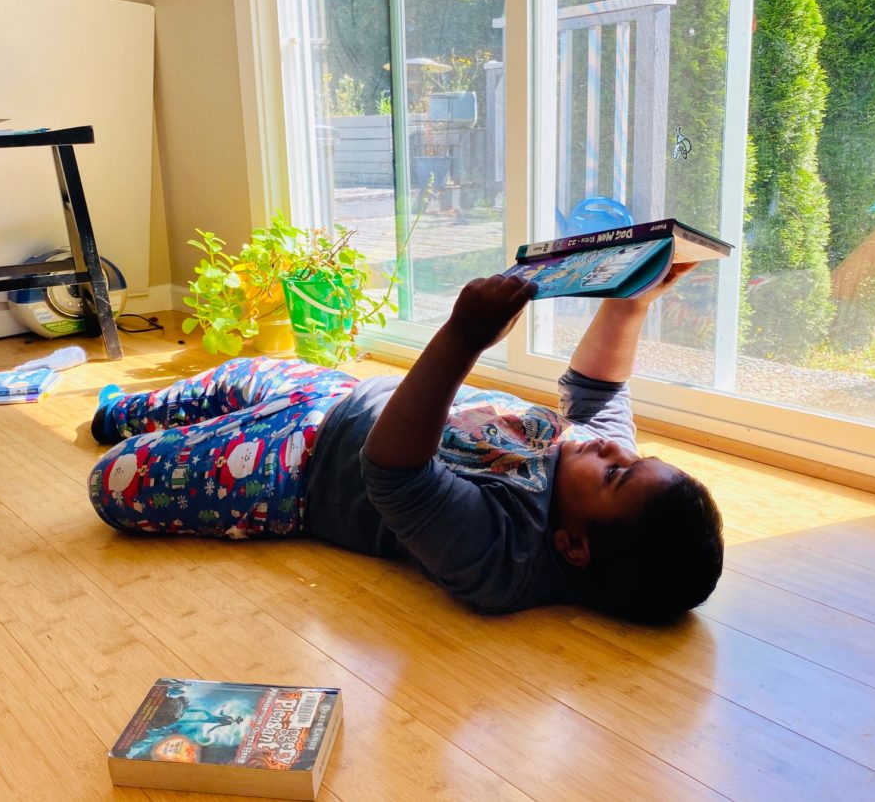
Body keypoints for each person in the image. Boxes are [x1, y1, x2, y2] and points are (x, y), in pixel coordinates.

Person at [88, 264, 723, 622]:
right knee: (227, 379)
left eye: (618, 474)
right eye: (638, 456)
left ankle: (140, 435)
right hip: (344, 393)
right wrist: (630, 304)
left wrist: (463, 336)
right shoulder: (600, 456)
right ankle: (121, 413)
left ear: (573, 546)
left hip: (295, 471)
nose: (616, 450)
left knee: (113, 482)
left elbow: (395, 473)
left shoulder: (506, 556)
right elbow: (598, 390)